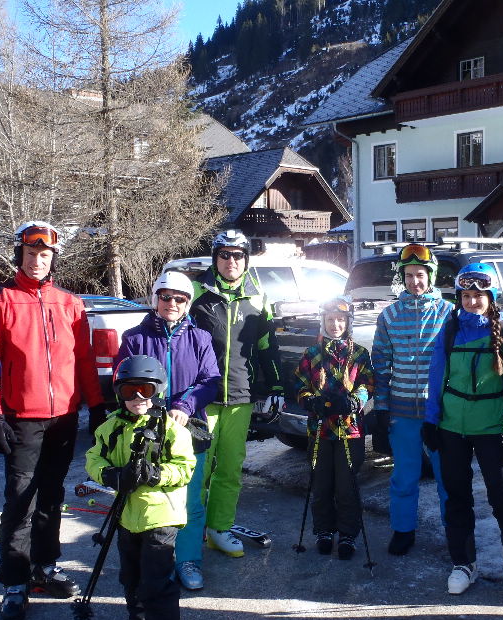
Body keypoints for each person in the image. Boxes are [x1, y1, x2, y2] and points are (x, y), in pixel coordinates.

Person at [0, 220, 107, 620]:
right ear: (21, 255)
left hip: (64, 417)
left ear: (52, 260)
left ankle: (45, 567)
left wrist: (97, 406)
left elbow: (84, 360)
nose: (37, 261)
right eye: (31, 254)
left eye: (44, 255)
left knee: (51, 496)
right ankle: (15, 581)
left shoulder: (70, 303)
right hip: (22, 419)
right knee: (20, 500)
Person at [86, 355, 196, 620]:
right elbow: (93, 457)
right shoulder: (111, 427)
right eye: (129, 391)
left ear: (157, 391)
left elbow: (185, 467)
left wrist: (155, 474)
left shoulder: (170, 429)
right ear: (118, 393)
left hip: (160, 516)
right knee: (131, 579)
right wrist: (109, 475)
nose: (137, 398)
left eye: (145, 390)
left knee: (156, 582)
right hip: (125, 516)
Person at [422, 263, 503, 596]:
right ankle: (464, 563)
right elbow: (436, 376)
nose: (471, 301)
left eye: (478, 296)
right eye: (466, 295)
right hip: (452, 426)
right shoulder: (450, 330)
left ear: (491, 297)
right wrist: (431, 419)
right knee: (456, 497)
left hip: (491, 427)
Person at [115, 270, 220, 592]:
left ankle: (187, 560)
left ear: (188, 303)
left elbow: (210, 380)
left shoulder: (200, 338)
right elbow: (122, 380)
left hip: (186, 430)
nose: (172, 303)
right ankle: (155, 561)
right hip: (146, 431)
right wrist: (144, 404)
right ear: (155, 299)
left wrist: (184, 407)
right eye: (165, 297)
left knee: (190, 499)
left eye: (180, 299)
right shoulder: (134, 338)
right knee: (150, 498)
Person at [188, 229, 283, 558]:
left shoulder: (257, 297)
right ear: (215, 258)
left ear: (246, 260)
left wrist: (277, 387)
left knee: (229, 469)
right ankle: (191, 530)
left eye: (238, 255)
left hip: (241, 397)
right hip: (202, 397)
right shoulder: (195, 292)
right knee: (197, 470)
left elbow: (268, 345)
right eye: (225, 255)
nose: (231, 261)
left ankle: (219, 528)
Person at [370, 243, 451, 556]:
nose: (415, 281)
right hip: (402, 412)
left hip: (439, 413)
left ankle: (454, 532)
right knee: (404, 476)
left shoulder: (448, 313)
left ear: (430, 276)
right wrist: (381, 407)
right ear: (402, 278)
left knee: (447, 476)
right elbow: (381, 363)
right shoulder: (389, 316)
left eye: (420, 274)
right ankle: (403, 530)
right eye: (409, 275)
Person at [294, 296, 375, 559]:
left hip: (350, 429)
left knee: (346, 485)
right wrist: (310, 401)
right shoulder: (312, 353)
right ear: (323, 322)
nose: (335, 325)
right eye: (330, 319)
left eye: (340, 320)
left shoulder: (359, 353)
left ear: (348, 322)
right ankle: (324, 531)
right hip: (320, 428)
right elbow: (299, 385)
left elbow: (368, 384)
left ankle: (348, 534)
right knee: (321, 484)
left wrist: (356, 400)